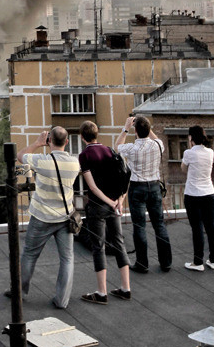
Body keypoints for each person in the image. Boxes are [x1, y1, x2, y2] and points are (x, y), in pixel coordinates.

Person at [17, 127, 80, 309]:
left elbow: (20, 156)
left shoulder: (42, 161)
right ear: (66, 142)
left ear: (49, 140)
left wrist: (38, 143)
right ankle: (62, 300)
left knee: (29, 254)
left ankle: (19, 292)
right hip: (65, 217)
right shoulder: (74, 164)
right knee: (67, 259)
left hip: (41, 217)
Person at [78, 122, 131, 304]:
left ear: (82, 137)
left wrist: (108, 202)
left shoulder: (84, 155)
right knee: (119, 242)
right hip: (115, 203)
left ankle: (102, 292)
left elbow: (91, 186)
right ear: (97, 134)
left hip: (97, 206)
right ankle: (125, 288)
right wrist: (118, 202)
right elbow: (124, 176)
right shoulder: (109, 150)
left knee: (98, 247)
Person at [115, 115, 172, 273]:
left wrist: (126, 128)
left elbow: (117, 146)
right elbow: (155, 138)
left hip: (137, 188)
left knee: (139, 226)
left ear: (135, 131)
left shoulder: (132, 148)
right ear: (148, 130)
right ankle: (166, 262)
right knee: (159, 225)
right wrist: (146, 126)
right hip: (154, 187)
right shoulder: (158, 145)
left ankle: (142, 263)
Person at [181, 125, 214, 271]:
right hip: (209, 193)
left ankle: (198, 262)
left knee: (197, 228)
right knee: (211, 227)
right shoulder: (210, 152)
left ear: (191, 138)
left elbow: (183, 169)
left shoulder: (189, 153)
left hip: (192, 195)